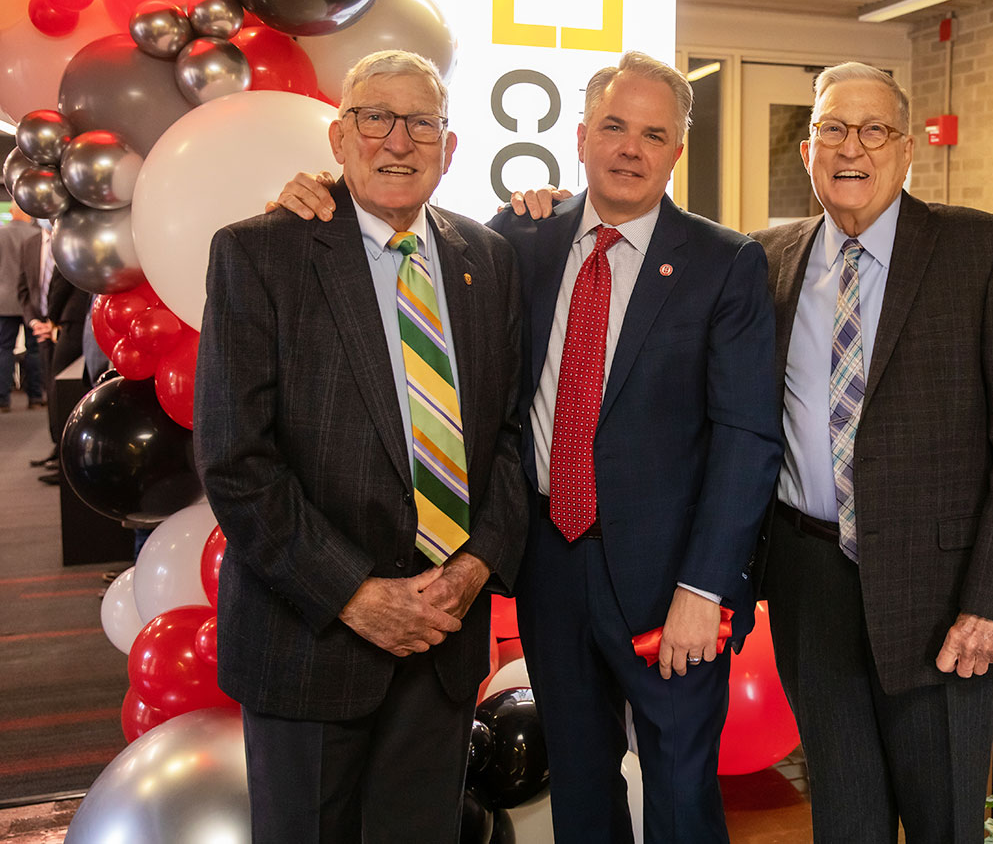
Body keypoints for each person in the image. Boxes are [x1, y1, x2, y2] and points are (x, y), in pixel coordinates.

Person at [273, 50, 783, 844]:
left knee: (682, 789)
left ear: (677, 151)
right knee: (579, 779)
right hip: (551, 561)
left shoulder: (727, 262)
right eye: (613, 126)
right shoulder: (518, 238)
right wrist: (315, 196)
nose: (630, 148)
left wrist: (706, 587)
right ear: (579, 136)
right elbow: (392, 229)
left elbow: (748, 439)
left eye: (654, 134)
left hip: (671, 580)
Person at [194, 50, 526, 844]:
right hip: (311, 639)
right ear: (340, 138)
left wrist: (473, 567)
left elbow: (510, 436)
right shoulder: (260, 252)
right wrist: (355, 594)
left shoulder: (488, 259)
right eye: (376, 117)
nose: (399, 141)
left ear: (451, 148)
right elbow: (236, 462)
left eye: (423, 122)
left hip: (444, 639)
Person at [751, 62, 993, 843]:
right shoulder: (764, 261)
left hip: (945, 597)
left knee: (942, 820)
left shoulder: (983, 251)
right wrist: (550, 213)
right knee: (844, 819)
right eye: (831, 128)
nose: (851, 147)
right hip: (810, 582)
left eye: (873, 129)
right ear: (807, 149)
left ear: (907, 146)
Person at [18, 223, 89, 480]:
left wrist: (52, 321)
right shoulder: (29, 245)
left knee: (64, 389)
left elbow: (60, 285)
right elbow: (24, 288)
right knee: (52, 386)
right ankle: (57, 448)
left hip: (67, 323)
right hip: (49, 326)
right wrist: (39, 322)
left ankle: (66, 458)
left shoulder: (70, 240)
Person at [0, 205, 42, 412]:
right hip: (33, 302)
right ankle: (36, 398)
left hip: (3, 300)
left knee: (4, 348)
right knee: (34, 350)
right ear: (28, 213)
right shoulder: (38, 236)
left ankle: (2, 401)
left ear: (11, 212)